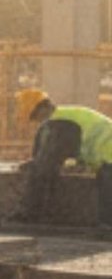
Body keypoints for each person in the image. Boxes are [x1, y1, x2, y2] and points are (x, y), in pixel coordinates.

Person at [12, 87, 112, 226]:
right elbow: (48, 155)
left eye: (33, 116)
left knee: (108, 189)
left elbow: (48, 163)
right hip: (103, 156)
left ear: (42, 109)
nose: (35, 121)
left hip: (108, 155)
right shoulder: (60, 119)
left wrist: (28, 210)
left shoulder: (61, 124)